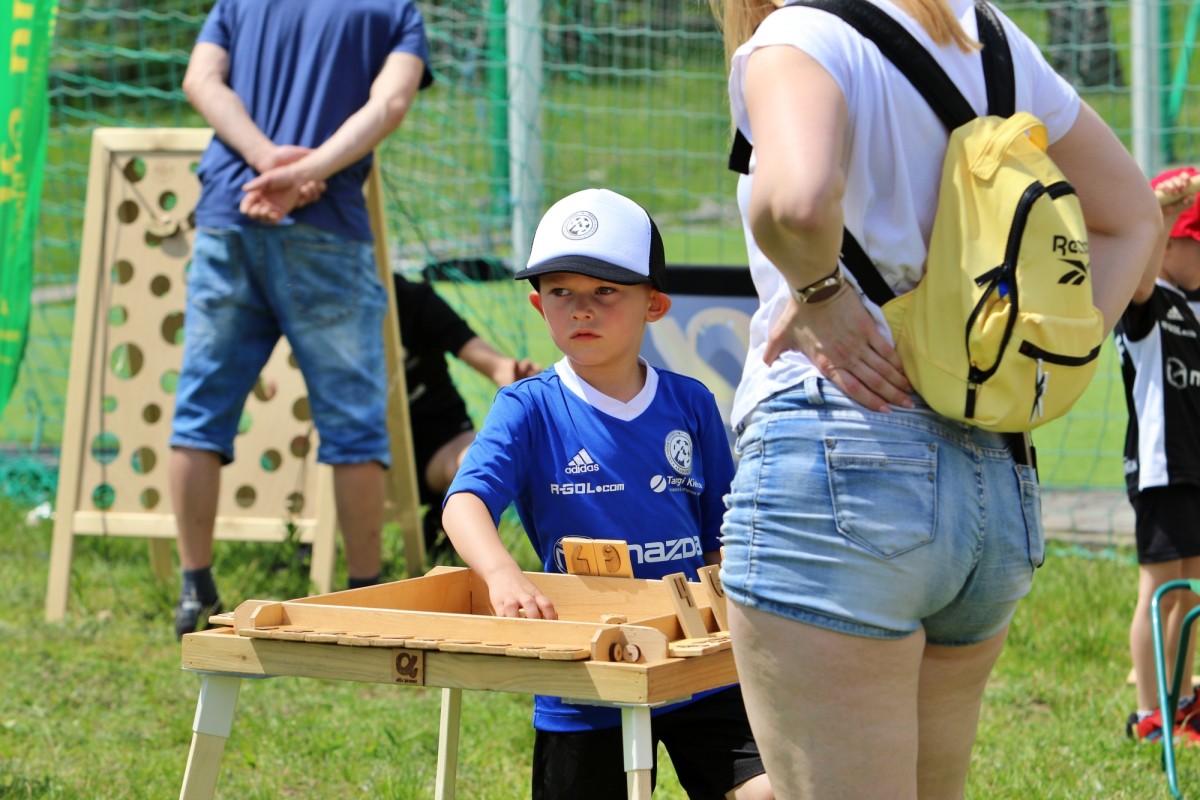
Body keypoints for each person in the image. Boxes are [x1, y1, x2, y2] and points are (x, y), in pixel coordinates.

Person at [708, 0, 1163, 796]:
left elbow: (797, 200)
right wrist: (1037, 365)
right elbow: (1133, 219)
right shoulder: (987, 34)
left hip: (843, 459)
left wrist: (820, 294)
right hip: (992, 480)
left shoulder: (796, 37)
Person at [442, 188, 772, 800]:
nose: (581, 310)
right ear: (539, 305)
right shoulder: (527, 407)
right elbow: (465, 501)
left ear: (655, 304)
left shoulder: (691, 402)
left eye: (605, 290)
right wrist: (502, 575)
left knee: (769, 791)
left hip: (698, 660)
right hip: (587, 675)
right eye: (561, 292)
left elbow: (721, 533)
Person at [170, 0, 434, 638]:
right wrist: (305, 171)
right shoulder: (394, 10)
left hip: (230, 211)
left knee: (199, 414)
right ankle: (366, 598)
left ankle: (194, 590)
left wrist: (267, 160)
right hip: (326, 227)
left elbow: (199, 80)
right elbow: (390, 104)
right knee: (354, 427)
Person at [1118, 167, 1200, 745]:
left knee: (1191, 591)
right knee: (1161, 588)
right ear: (1169, 245)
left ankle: (1183, 700)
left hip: (1196, 469)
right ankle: (1148, 713)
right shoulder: (1148, 299)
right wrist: (1161, 214)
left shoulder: (1196, 304)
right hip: (1161, 468)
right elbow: (1139, 274)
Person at [391, 272, 540, 557]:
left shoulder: (413, 298)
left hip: (440, 443)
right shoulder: (322, 314)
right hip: (367, 450)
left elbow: (482, 356)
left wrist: (511, 375)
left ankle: (460, 534)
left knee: (478, 461)